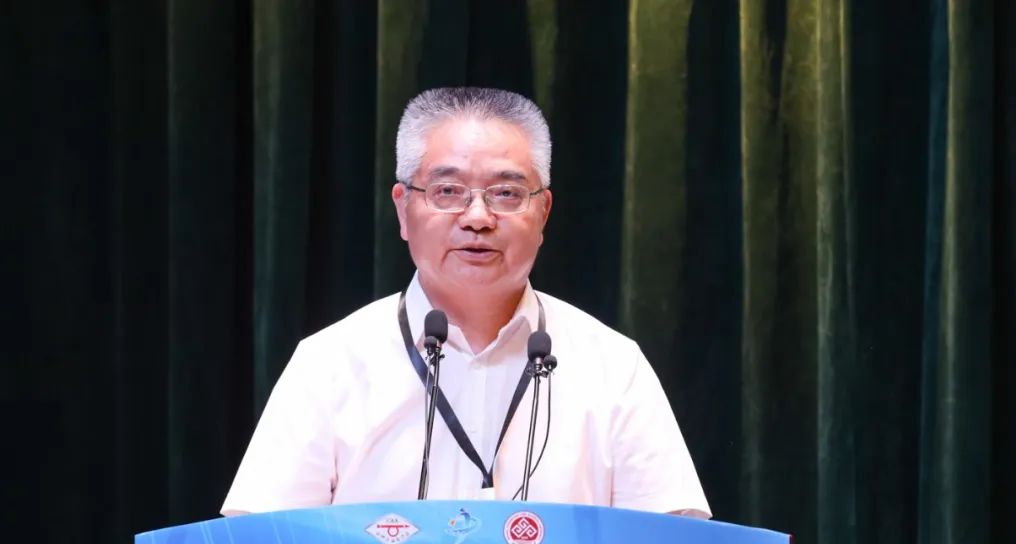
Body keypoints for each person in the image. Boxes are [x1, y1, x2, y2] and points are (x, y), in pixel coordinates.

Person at [220, 87, 710, 519]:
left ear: (543, 212)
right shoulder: (329, 364)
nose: (477, 217)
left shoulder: (614, 367)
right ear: (403, 209)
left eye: (506, 193)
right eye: (448, 191)